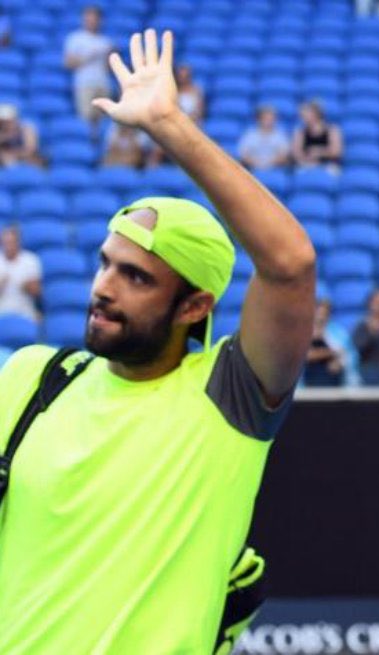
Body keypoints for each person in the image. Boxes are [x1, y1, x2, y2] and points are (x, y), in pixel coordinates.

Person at [0, 30, 316, 653]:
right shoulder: (34, 377)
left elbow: (290, 265)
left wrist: (168, 125)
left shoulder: (230, 399)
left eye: (136, 276)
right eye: (105, 263)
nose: (103, 288)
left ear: (195, 306)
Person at [63, 5, 113, 126]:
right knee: (86, 119)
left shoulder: (106, 41)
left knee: (104, 120)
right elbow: (68, 63)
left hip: (103, 84)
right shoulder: (75, 38)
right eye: (88, 18)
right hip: (84, 84)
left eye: (94, 18)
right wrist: (89, 57)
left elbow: (109, 68)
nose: (91, 21)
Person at [303, 296, 348, 387]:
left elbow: (345, 355)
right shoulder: (304, 332)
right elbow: (306, 356)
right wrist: (330, 353)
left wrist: (339, 362)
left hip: (333, 382)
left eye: (325, 313)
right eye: (319, 312)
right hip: (309, 383)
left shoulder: (338, 332)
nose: (321, 317)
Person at [0, 226, 41, 322]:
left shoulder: (31, 260)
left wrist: (26, 286)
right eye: (6, 242)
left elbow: (37, 292)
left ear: (18, 242)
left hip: (25, 311)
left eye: (11, 242)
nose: (8, 246)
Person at [291, 100, 343, 173]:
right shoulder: (300, 132)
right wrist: (307, 158)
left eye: (306, 113)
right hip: (307, 164)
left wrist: (319, 152)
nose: (303, 117)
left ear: (315, 114)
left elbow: (337, 151)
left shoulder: (332, 129)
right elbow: (296, 153)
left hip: (328, 165)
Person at [238, 105, 290, 170]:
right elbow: (244, 155)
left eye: (271, 119)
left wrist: (268, 164)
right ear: (259, 119)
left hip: (274, 170)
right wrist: (256, 163)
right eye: (266, 119)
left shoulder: (280, 135)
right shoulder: (249, 135)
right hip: (253, 169)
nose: (269, 121)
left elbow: (283, 156)